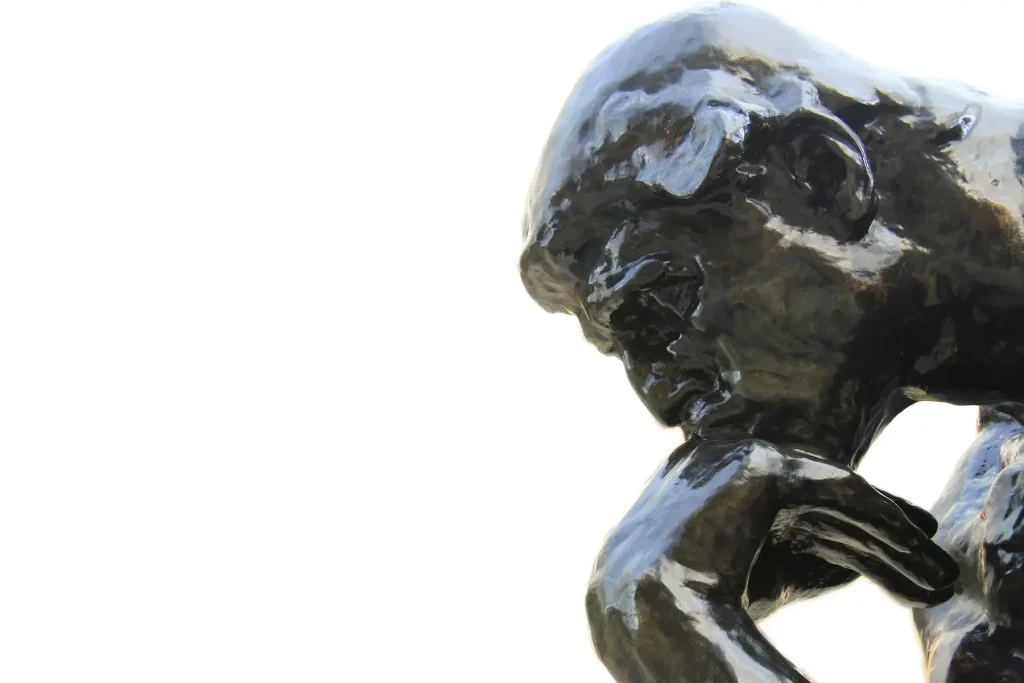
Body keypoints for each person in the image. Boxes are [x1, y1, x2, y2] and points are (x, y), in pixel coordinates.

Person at [519, 4, 1024, 681]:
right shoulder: (986, 520)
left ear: (822, 177)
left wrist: (667, 625)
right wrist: (684, 628)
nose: (659, 399)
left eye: (662, 309)